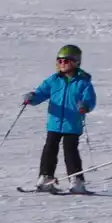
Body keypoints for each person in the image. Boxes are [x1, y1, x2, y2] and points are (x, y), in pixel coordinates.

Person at [24, 45, 97, 194]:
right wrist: (32, 98)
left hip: (72, 124)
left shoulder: (83, 82)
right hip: (55, 122)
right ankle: (46, 178)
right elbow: (41, 93)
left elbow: (90, 100)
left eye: (66, 61)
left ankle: (76, 181)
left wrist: (85, 106)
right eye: (60, 60)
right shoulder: (54, 80)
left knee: (70, 151)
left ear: (76, 62)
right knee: (49, 149)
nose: (62, 64)